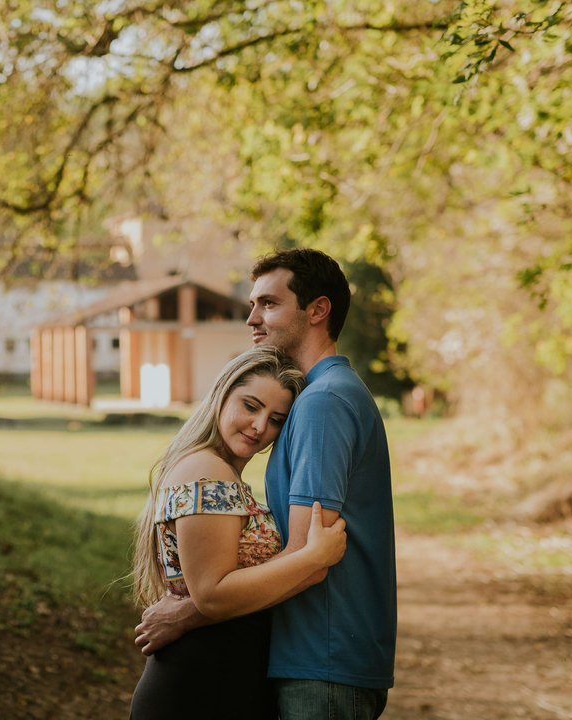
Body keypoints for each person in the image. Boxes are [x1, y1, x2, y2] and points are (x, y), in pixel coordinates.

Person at [134, 248, 397, 720]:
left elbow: (310, 555)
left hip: (324, 658)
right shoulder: (320, 398)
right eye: (253, 304)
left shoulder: (323, 403)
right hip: (294, 660)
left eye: (269, 304)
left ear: (318, 310)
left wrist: (190, 611)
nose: (252, 318)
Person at [128, 346, 348, 719]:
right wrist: (313, 556)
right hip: (198, 688)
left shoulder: (221, 473)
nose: (260, 426)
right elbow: (212, 595)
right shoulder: (206, 470)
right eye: (250, 406)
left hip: (221, 680)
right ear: (222, 395)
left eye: (276, 418)